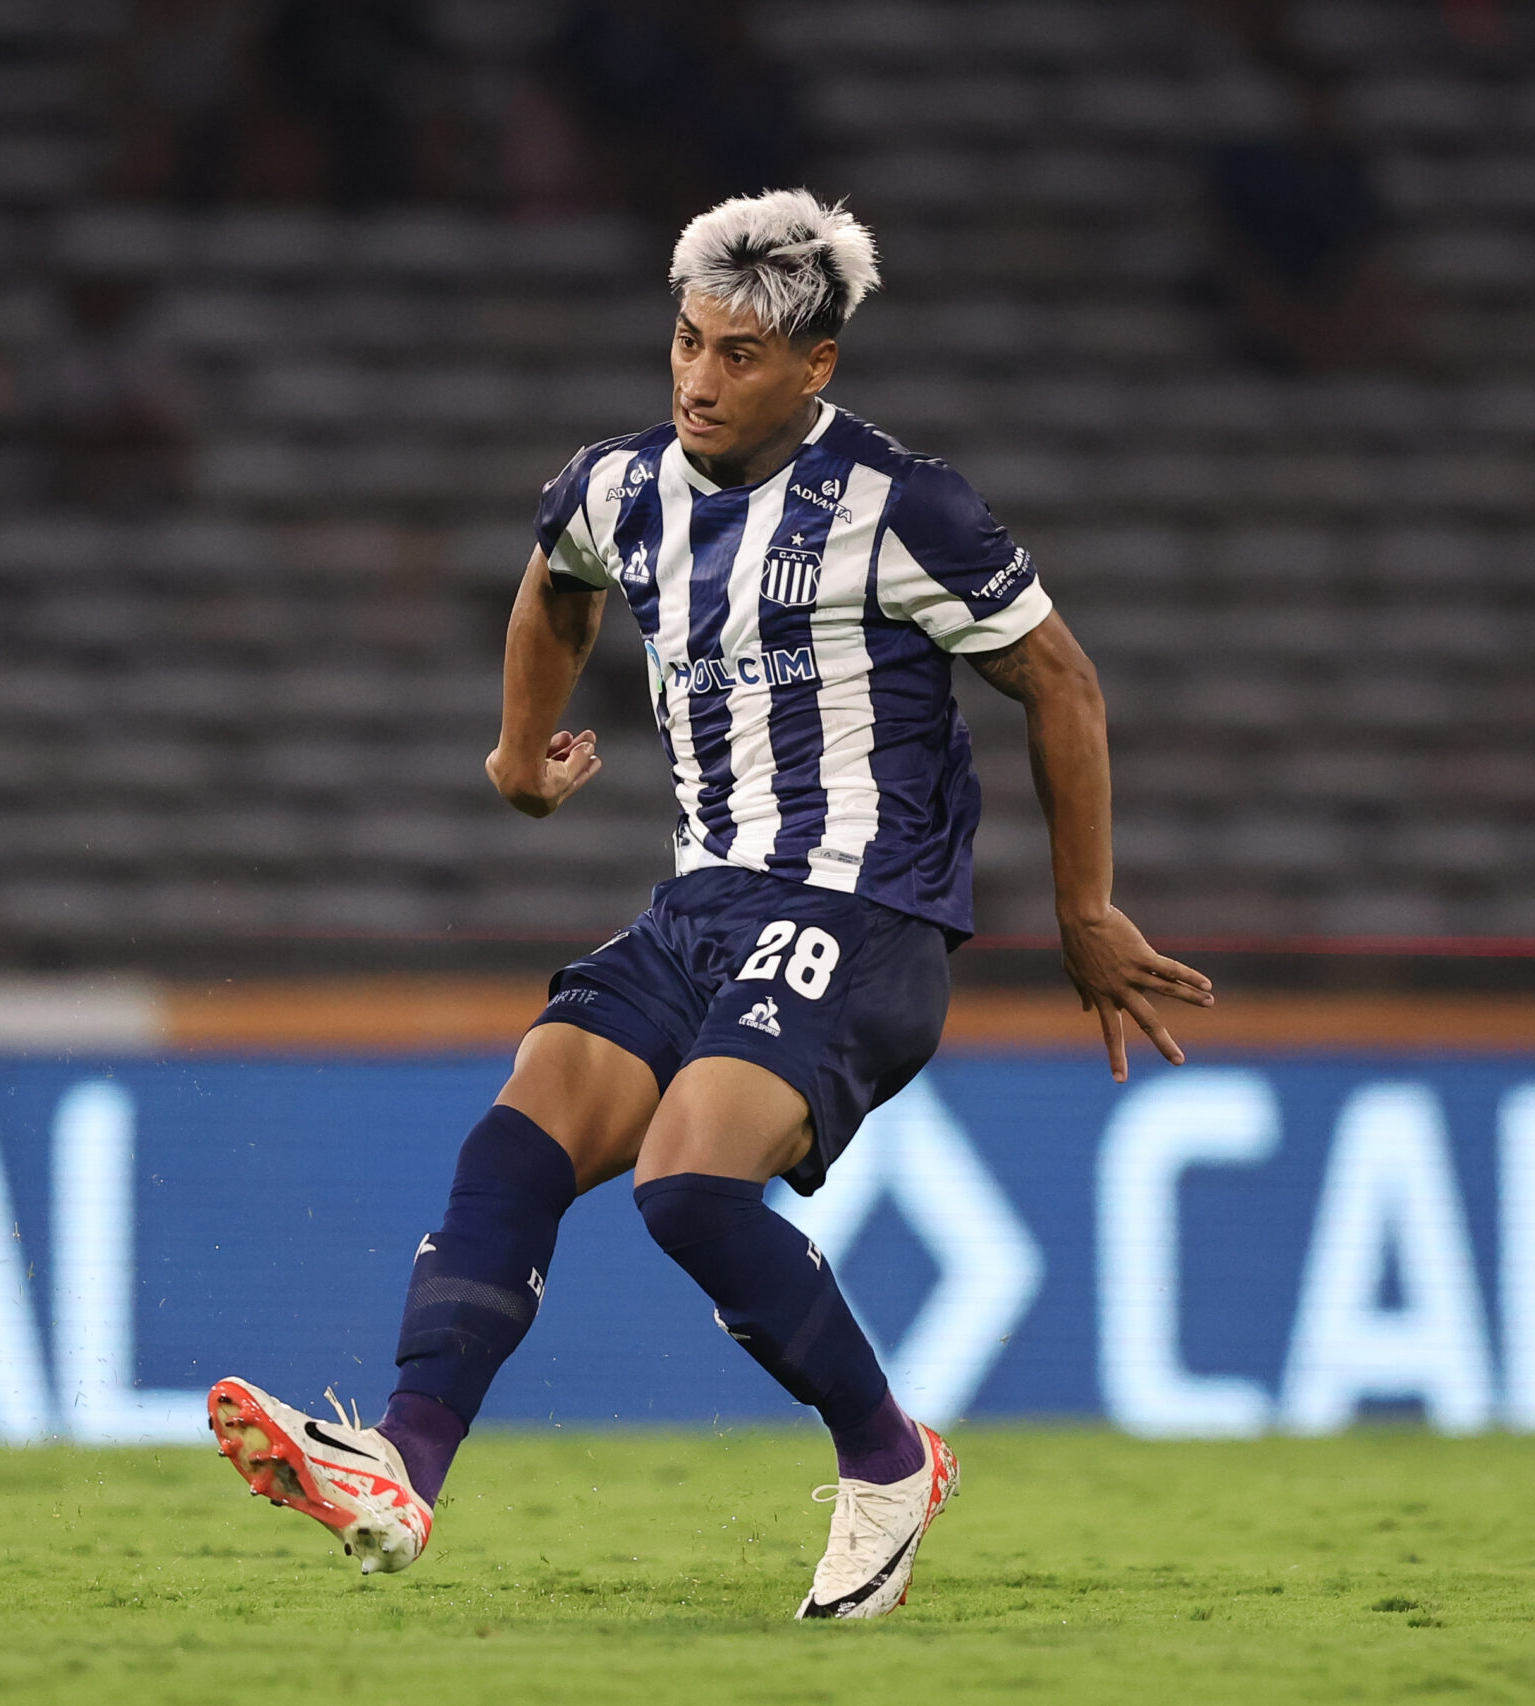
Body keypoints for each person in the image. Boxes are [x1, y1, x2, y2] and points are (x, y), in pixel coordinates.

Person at [207, 189, 1215, 1618]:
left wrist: (1086, 911)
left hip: (861, 914)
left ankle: (890, 1462)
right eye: (688, 341)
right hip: (700, 908)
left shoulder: (903, 506)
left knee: (687, 1181)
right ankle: (402, 1470)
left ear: (815, 367)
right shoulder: (618, 486)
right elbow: (555, 586)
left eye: (741, 355)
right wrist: (517, 756)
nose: (700, 377)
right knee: (519, 1136)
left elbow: (1061, 679)